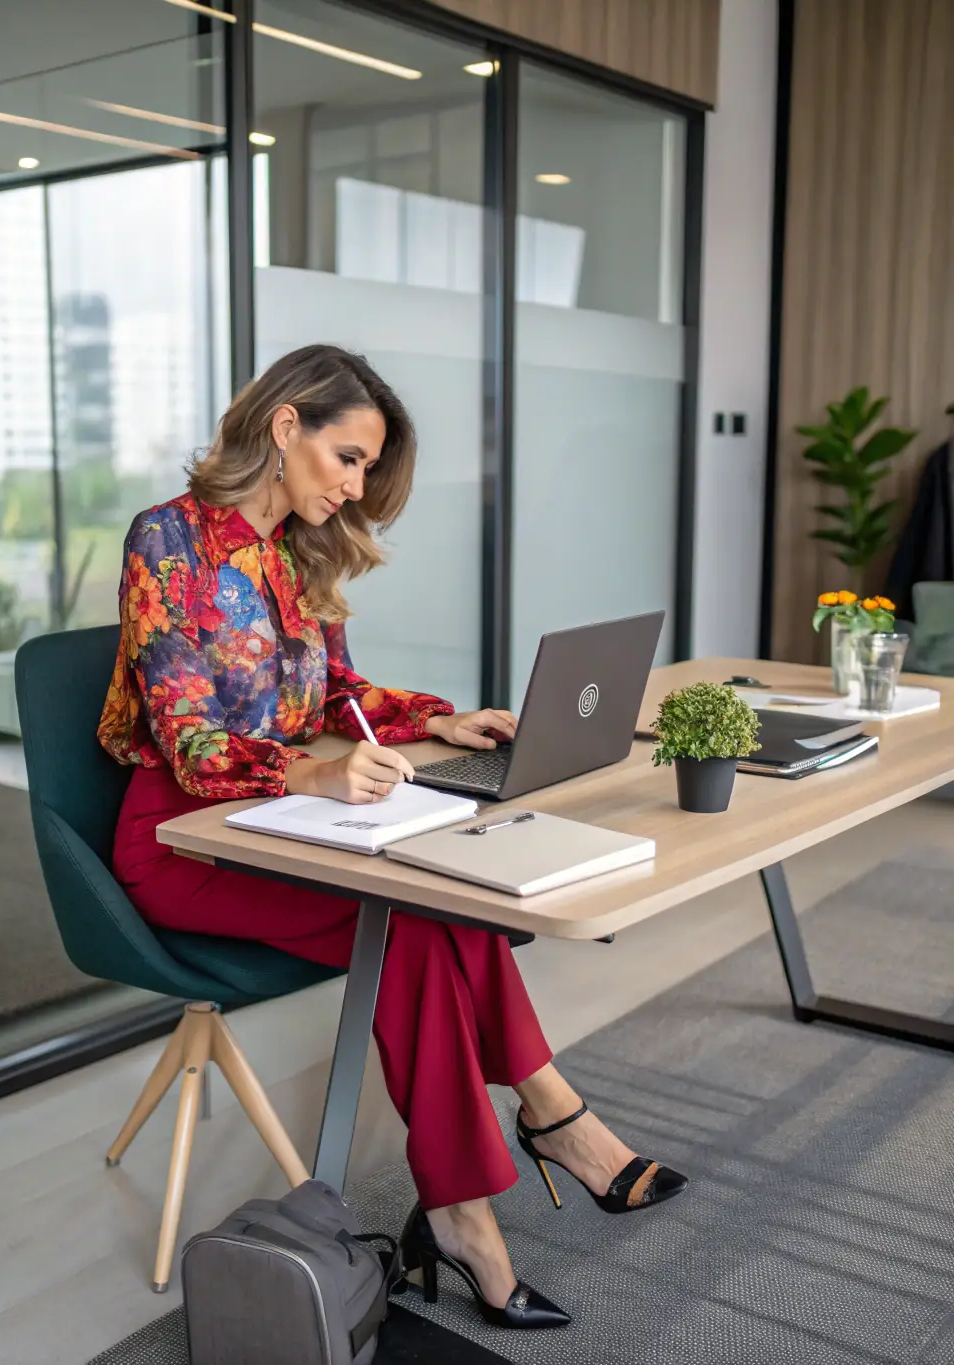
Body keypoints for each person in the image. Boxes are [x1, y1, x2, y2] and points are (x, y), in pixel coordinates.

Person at [99, 343, 687, 1330]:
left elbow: (337, 692)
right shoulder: (168, 543)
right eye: (348, 457)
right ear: (286, 426)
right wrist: (317, 772)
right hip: (186, 838)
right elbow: (192, 743)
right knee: (414, 918)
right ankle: (521, 1160)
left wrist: (437, 720)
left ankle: (494, 1177)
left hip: (279, 816)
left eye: (367, 466)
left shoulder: (295, 550)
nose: (356, 484)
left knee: (437, 898)